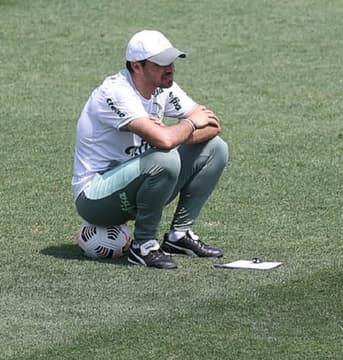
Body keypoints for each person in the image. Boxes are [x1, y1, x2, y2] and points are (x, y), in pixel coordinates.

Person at [71, 30, 229, 269]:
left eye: (172, 62)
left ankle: (179, 236)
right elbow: (172, 136)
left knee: (215, 149)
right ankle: (143, 246)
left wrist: (171, 133)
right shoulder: (115, 92)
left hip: (140, 181)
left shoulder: (163, 87)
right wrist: (186, 125)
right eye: (161, 63)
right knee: (164, 159)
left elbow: (213, 125)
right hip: (95, 196)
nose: (171, 69)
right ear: (137, 66)